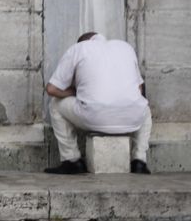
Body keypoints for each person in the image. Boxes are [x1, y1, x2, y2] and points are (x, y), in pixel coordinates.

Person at [44, 31, 152, 175]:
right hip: (131, 119)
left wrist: (75, 93)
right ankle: (139, 161)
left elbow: (51, 89)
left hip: (94, 117)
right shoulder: (126, 47)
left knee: (55, 104)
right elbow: (139, 89)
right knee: (144, 108)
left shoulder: (79, 48)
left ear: (83, 42)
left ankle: (71, 160)